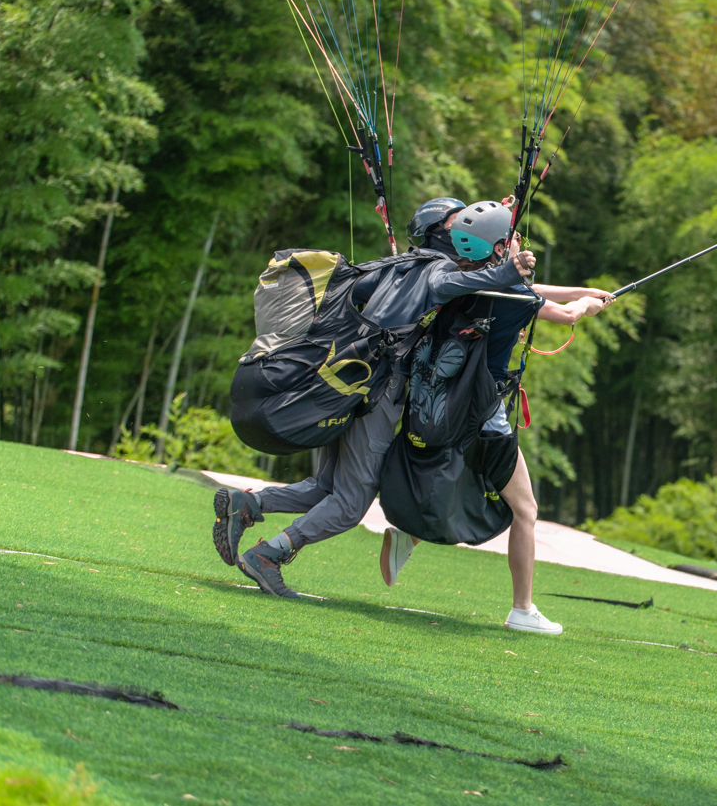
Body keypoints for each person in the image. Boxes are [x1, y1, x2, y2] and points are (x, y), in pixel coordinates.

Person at [215, 197, 538, 598]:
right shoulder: (435, 271)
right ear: (442, 232)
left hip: (345, 383)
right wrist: (510, 268)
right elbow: (458, 283)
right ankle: (269, 555)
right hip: (379, 391)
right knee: (350, 504)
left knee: (327, 487)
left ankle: (247, 505)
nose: (466, 233)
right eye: (459, 225)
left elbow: (483, 281)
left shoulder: (397, 266)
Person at [379, 199, 612, 634]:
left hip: (443, 407)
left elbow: (533, 293)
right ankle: (522, 609)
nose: (521, 241)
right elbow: (559, 314)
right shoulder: (509, 296)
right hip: (484, 416)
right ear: (502, 245)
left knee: (470, 478)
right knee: (525, 509)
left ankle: (410, 533)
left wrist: (581, 290)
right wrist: (586, 307)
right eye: (515, 237)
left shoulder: (457, 276)